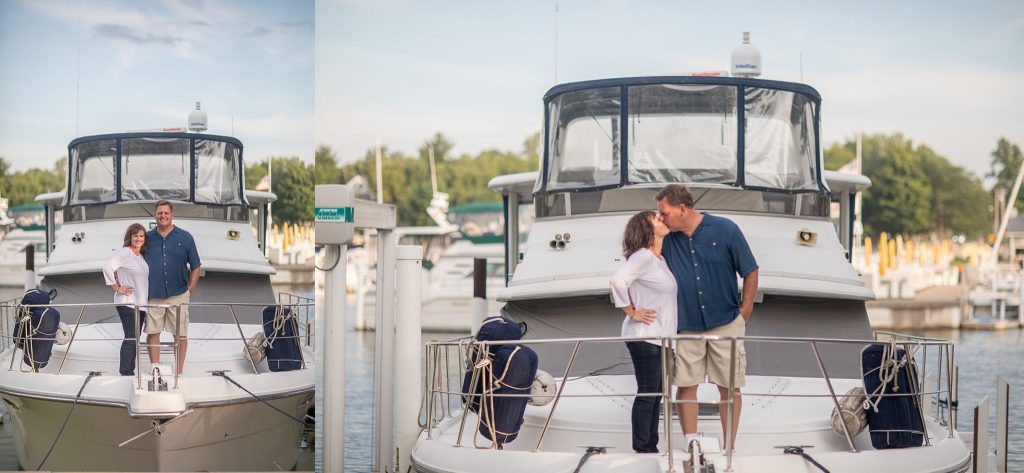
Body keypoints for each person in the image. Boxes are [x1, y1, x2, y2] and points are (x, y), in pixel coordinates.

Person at [655, 184, 759, 451]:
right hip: (687, 325)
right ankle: (691, 444)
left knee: (730, 387)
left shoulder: (726, 229)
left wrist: (744, 312)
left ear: (682, 208)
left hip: (726, 321)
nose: (660, 218)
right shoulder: (665, 238)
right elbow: (641, 262)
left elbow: (750, 270)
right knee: (687, 385)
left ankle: (729, 448)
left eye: (663, 212)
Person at [609, 210, 677, 453]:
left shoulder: (659, 259)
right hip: (644, 335)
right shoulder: (643, 256)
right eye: (655, 218)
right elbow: (618, 280)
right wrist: (632, 311)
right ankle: (643, 446)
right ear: (646, 229)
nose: (661, 219)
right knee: (649, 391)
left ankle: (650, 445)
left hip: (660, 337)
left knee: (656, 393)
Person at [143, 200, 201, 375]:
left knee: (180, 334)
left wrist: (190, 289)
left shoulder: (185, 237)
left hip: (179, 294)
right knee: (153, 333)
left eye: (166, 213)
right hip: (154, 295)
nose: (163, 216)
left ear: (172, 215)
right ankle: (155, 369)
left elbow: (196, 266)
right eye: (160, 213)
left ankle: (179, 371)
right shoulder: (146, 237)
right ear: (155, 215)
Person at [101, 223, 149, 376]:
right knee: (131, 336)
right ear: (130, 237)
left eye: (141, 236)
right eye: (135, 235)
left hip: (140, 304)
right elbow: (107, 267)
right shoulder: (125, 253)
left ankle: (130, 370)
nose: (138, 238)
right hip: (127, 302)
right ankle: (126, 372)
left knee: (135, 338)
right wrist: (117, 287)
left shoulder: (140, 256)